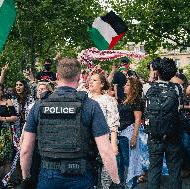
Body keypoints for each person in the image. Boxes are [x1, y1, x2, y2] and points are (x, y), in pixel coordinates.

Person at [20, 57, 121, 189]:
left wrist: (26, 177)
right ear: (79, 77)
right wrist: (116, 181)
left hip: (49, 175)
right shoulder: (90, 106)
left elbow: (26, 149)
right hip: (81, 175)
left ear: (57, 76)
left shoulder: (39, 106)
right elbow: (105, 150)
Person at [143, 57, 183, 189]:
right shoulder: (177, 88)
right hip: (173, 134)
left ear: (157, 72)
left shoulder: (147, 87)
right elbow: (179, 110)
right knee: (175, 169)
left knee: (154, 169)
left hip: (154, 135)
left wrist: (152, 72)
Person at [88, 73, 120, 188]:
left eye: (94, 80)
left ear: (102, 84)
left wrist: (114, 145)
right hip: (88, 143)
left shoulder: (108, 100)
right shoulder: (85, 99)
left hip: (104, 141)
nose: (91, 82)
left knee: (105, 177)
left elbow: (113, 124)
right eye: (90, 80)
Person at [0, 82, 18, 189]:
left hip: (5, 134)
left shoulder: (7, 102)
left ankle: (8, 181)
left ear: (2, 91)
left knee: (7, 158)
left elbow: (15, 117)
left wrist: (2, 119)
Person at [117, 78, 144, 188]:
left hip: (128, 133)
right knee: (120, 162)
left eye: (127, 85)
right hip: (120, 133)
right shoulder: (124, 99)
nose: (124, 86)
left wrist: (134, 137)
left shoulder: (136, 101)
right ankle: (122, 185)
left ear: (133, 88)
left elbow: (138, 119)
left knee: (130, 162)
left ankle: (131, 186)